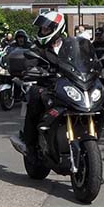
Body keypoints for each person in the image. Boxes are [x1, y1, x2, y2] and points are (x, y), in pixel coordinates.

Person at [20, 11, 67, 159]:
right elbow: (28, 63)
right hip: (46, 85)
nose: (43, 31)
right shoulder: (37, 47)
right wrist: (35, 71)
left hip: (69, 85)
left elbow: (84, 60)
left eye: (46, 29)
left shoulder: (70, 44)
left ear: (57, 28)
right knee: (36, 96)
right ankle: (31, 146)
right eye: (42, 29)